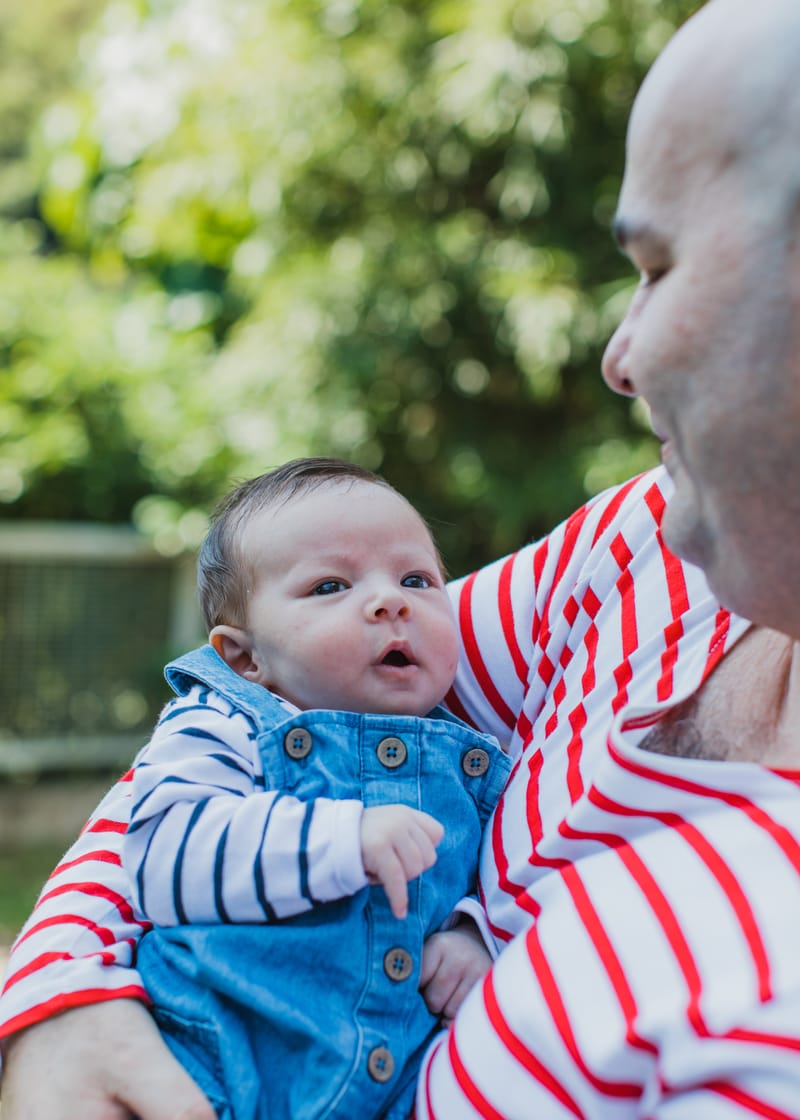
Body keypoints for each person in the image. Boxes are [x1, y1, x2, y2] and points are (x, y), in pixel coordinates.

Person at [3, 0, 800, 1116]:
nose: (616, 357)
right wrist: (54, 998)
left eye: (658, 267)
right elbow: (239, 729)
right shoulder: (638, 551)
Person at [41, 457, 513, 1120]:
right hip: (207, 1059)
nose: (390, 600)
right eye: (329, 586)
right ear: (244, 657)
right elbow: (161, 857)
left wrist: (471, 933)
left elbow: (505, 873)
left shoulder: (478, 757)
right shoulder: (225, 724)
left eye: (416, 579)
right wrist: (337, 837)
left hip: (388, 1085)